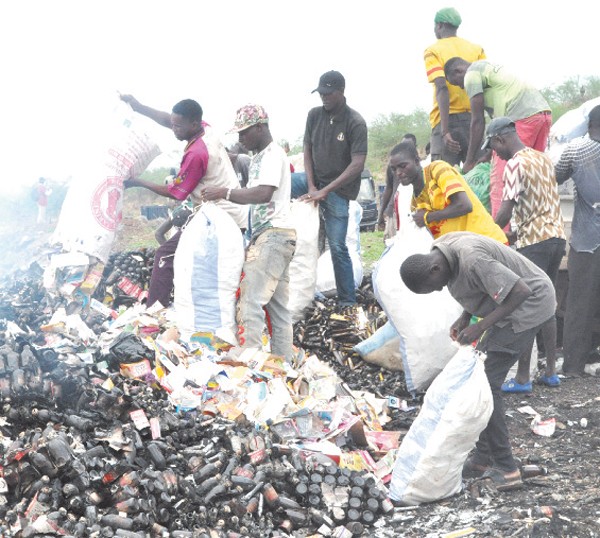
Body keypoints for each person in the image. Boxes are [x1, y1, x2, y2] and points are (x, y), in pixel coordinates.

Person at [400, 232, 557, 490]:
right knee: (478, 379)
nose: (439, 289)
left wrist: (480, 325)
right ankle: (483, 459)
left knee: (485, 386)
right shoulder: (443, 251)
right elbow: (483, 286)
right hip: (514, 302)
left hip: (531, 303)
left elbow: (520, 291)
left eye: (435, 286)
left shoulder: (472, 259)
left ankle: (506, 468)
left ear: (434, 268)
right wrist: (466, 317)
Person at [119, 94, 248, 308]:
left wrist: (138, 182)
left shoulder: (196, 154)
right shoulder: (205, 129)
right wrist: (138, 106)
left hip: (220, 217)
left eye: (178, 126)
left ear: (193, 124)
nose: (174, 129)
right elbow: (168, 119)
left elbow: (175, 193)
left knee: (165, 254)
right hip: (225, 212)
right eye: (173, 124)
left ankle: (154, 311)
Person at [200, 104, 297, 361]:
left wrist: (224, 193)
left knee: (250, 300)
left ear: (260, 127)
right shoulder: (258, 158)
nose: (240, 138)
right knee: (278, 309)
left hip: (273, 235)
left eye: (244, 132)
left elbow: (263, 194)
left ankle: (249, 362)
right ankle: (284, 364)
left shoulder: (272, 155)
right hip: (275, 235)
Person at [484, 117, 566, 391]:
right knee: (547, 304)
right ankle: (550, 372)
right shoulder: (542, 159)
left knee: (526, 306)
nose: (496, 154)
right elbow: (539, 205)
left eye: (494, 147)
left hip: (534, 243)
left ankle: (522, 378)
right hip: (556, 238)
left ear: (500, 139)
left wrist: (485, 235)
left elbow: (505, 212)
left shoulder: (515, 164)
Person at [444, 58, 552, 218]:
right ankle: (535, 224)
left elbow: (477, 121)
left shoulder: (471, 74)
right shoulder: (488, 70)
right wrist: (488, 154)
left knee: (500, 180)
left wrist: (469, 161)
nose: (462, 87)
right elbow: (494, 123)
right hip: (542, 114)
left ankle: (500, 232)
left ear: (458, 71)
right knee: (532, 177)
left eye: (458, 84)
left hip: (520, 118)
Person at [297, 70, 368, 309]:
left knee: (337, 246)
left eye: (328, 93)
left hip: (338, 190)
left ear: (341, 91)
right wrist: (311, 185)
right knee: (281, 186)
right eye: (321, 93)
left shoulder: (355, 122)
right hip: (314, 181)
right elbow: (307, 150)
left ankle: (347, 300)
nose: (324, 97)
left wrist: (325, 191)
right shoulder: (314, 115)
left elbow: (357, 164)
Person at [555, 105, 600, 376]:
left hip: (586, 240)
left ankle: (573, 365)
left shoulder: (576, 150)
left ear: (589, 125)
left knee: (579, 303)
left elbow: (555, 176)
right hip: (588, 238)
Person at [388, 140, 507, 243]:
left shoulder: (437, 170)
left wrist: (427, 217)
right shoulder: (415, 202)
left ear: (416, 161)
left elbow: (464, 205)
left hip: (486, 242)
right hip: (463, 250)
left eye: (402, 166)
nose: (398, 173)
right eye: (394, 169)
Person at [424, 7, 486, 166]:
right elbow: (484, 85)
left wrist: (445, 131)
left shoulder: (433, 51)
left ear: (439, 26)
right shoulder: (476, 49)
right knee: (479, 173)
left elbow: (441, 87)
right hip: (473, 119)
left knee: (443, 174)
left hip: (445, 120)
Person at [377, 134, 418, 241]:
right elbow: (389, 188)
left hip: (415, 212)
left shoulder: (421, 166)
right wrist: (381, 214)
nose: (399, 172)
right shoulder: (393, 165)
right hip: (395, 211)